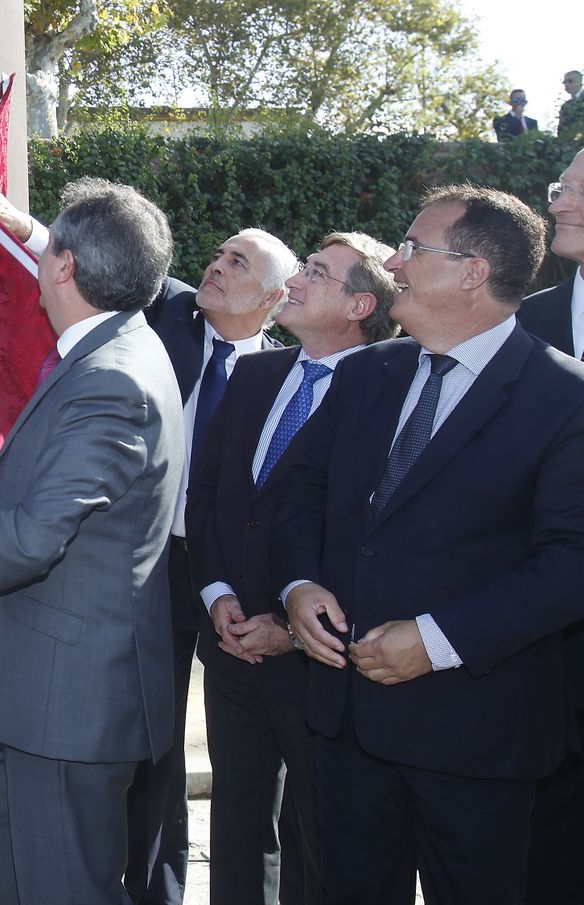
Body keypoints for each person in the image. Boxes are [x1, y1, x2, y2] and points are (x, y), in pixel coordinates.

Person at [0, 182, 294, 904]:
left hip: (226, 585)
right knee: (141, 753)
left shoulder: (280, 373)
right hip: (144, 571)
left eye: (240, 262)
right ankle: (142, 881)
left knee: (229, 754)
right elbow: (98, 267)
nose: (218, 266)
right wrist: (34, 232)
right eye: (218, 253)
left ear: (274, 299)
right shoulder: (169, 318)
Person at [277, 185, 584, 904]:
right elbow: (298, 493)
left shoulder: (564, 398)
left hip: (478, 737)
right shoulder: (365, 373)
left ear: (474, 271)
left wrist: (438, 639)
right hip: (349, 727)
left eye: (414, 248)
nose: (394, 261)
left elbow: (572, 560)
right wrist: (297, 585)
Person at [0, 177, 183, 905]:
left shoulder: (110, 377)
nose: (43, 254)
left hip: (67, 703)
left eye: (51, 247)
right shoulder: (114, 347)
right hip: (46, 700)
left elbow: (43, 534)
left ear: (64, 268)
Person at [187, 231, 398, 905]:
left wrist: (286, 622)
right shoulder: (254, 374)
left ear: (361, 304)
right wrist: (217, 593)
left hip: (314, 662)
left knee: (319, 834)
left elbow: (366, 532)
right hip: (229, 650)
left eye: (317, 273)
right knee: (236, 823)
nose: (297, 281)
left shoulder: (385, 400)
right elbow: (208, 493)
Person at [516, 147, 584, 904]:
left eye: (576, 191)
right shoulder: (524, 324)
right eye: (560, 187)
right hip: (536, 666)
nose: (559, 202)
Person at [559, 72, 582, 146]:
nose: (566, 84)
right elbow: (561, 129)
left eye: (570, 81)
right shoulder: (565, 106)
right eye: (565, 82)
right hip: (569, 146)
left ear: (580, 82)